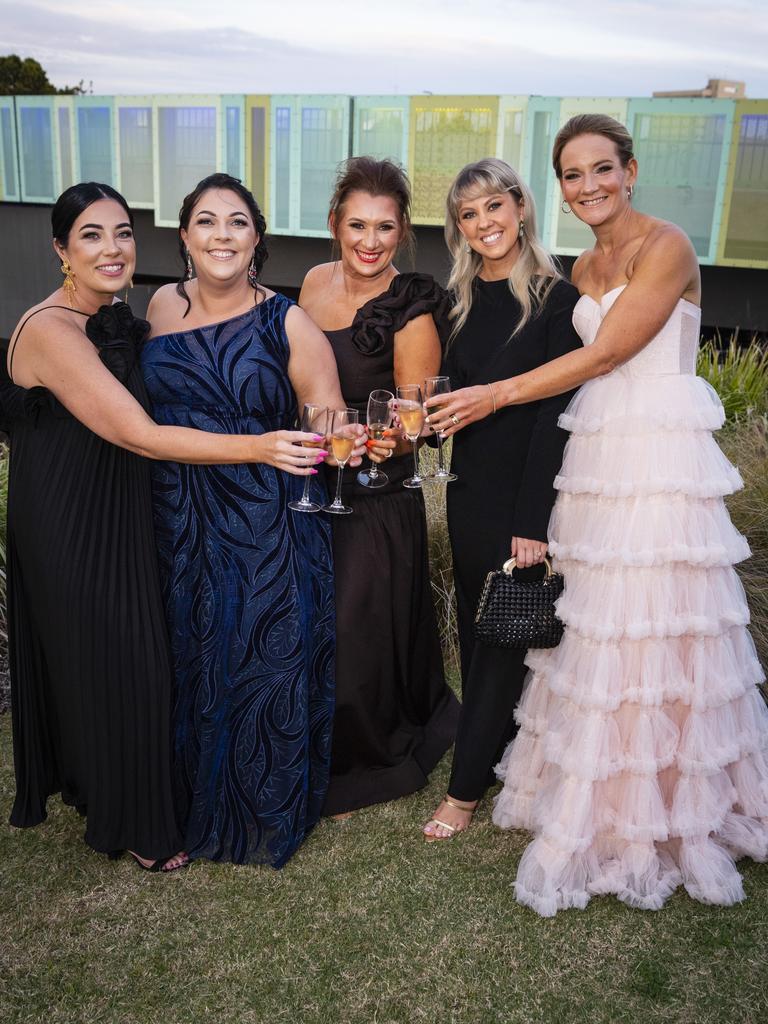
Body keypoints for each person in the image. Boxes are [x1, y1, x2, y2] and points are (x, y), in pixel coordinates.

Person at [428, 115, 768, 914]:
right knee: (593, 630)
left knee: (658, 625)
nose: (589, 186)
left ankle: (672, 807)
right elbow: (573, 381)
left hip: (655, 455)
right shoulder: (582, 264)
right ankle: (598, 795)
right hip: (594, 461)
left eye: (601, 169)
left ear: (631, 169)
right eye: (573, 174)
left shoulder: (668, 246)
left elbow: (610, 352)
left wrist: (497, 393)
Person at [0, 183, 323, 872]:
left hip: (129, 502)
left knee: (126, 660)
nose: (112, 248)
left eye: (121, 232)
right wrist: (262, 444)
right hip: (72, 516)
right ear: (60, 249)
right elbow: (141, 433)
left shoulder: (122, 311)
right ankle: (137, 826)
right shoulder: (53, 329)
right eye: (90, 235)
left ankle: (111, 792)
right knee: (118, 662)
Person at [143, 173, 360, 866]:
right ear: (184, 236)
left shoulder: (287, 320)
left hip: (265, 517)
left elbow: (328, 418)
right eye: (206, 222)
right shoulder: (157, 308)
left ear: (256, 238)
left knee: (259, 660)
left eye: (236, 223)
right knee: (189, 653)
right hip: (177, 511)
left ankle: (260, 806)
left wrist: (347, 435)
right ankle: (184, 798)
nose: (221, 236)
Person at [420, 159, 582, 841]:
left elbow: (555, 416)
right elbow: (446, 398)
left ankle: (462, 792)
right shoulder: (453, 301)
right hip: (467, 487)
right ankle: (493, 759)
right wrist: (426, 422)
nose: (483, 223)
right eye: (468, 214)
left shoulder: (555, 298)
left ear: (520, 206)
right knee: (484, 625)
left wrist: (531, 521)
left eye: (494, 207)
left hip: (522, 492)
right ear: (458, 227)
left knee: (498, 639)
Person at [300, 157, 459, 817]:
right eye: (357, 224)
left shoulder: (412, 306)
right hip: (310, 487)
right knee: (311, 625)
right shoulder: (310, 282)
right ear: (335, 222)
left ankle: (359, 757)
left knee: (357, 633)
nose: (369, 241)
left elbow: (417, 424)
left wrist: (375, 440)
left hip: (373, 496)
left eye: (385, 228)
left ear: (402, 232)